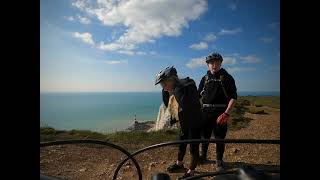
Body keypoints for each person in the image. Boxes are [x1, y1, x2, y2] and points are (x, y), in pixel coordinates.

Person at [155, 66, 203, 179]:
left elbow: (189, 105)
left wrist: (176, 92)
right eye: (162, 85)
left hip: (194, 121)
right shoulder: (167, 90)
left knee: (193, 147)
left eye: (164, 84)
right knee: (182, 143)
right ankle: (179, 164)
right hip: (183, 121)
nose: (164, 88)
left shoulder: (187, 86)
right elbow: (169, 106)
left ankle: (191, 172)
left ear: (172, 79)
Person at [198, 52, 237, 171]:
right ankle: (203, 156)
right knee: (204, 137)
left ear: (220, 63)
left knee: (220, 138)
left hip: (221, 113)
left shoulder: (227, 78)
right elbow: (197, 95)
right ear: (207, 65)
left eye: (217, 62)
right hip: (205, 112)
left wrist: (226, 113)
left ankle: (219, 161)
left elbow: (233, 97)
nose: (214, 65)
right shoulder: (204, 78)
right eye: (211, 63)